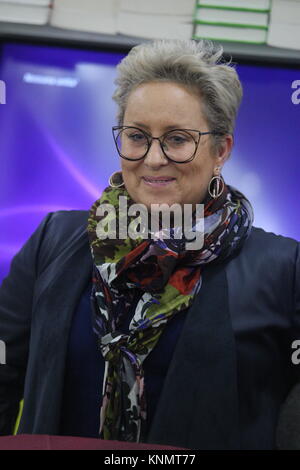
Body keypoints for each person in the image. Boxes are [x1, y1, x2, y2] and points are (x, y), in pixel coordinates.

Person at [0, 39, 299, 450]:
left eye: (177, 139)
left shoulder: (285, 269)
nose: (153, 158)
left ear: (221, 150)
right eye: (137, 136)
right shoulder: (54, 240)